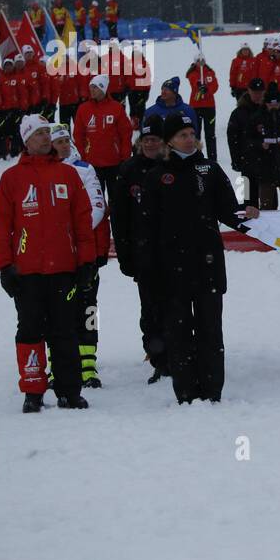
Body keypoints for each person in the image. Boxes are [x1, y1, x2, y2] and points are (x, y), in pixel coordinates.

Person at [138, 111, 258, 405]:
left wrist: (251, 213)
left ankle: (211, 390)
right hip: (170, 271)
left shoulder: (210, 169)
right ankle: (187, 393)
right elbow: (146, 229)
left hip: (207, 266)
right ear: (169, 141)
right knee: (178, 334)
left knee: (210, 332)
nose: (189, 139)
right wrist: (147, 269)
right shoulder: (155, 177)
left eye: (192, 134)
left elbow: (229, 211)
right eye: (182, 135)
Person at [0, 115, 96, 413]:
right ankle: (33, 391)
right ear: (26, 140)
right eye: (38, 134)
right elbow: (1, 224)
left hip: (63, 269)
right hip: (28, 273)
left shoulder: (68, 175)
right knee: (30, 331)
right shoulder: (11, 178)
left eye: (47, 132)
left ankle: (69, 390)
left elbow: (82, 222)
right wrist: (4, 266)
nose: (46, 138)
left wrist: (86, 261)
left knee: (64, 331)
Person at [50, 122, 111, 387]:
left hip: (84, 253)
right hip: (54, 256)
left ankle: (88, 364)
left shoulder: (85, 169)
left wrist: (74, 234)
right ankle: (57, 366)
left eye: (66, 140)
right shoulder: (42, 172)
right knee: (54, 311)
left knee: (88, 307)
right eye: (57, 141)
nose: (63, 145)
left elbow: (97, 206)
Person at [110, 114, 170, 384]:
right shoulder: (128, 170)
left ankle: (179, 354)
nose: (150, 145)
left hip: (173, 251)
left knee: (176, 306)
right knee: (151, 308)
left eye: (154, 140)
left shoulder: (173, 167)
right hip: (144, 253)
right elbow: (119, 217)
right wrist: (125, 255)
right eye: (145, 140)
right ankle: (158, 358)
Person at [73, 73, 133, 203]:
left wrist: (125, 157)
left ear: (103, 89)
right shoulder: (83, 109)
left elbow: (125, 133)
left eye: (95, 87)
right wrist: (83, 157)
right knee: (96, 202)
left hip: (114, 163)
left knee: (116, 200)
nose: (92, 90)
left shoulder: (116, 108)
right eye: (91, 87)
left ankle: (117, 223)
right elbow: (78, 135)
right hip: (92, 164)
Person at [226, 76, 266, 202]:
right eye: (255, 92)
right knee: (247, 200)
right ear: (248, 91)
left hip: (267, 162)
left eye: (260, 92)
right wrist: (235, 160)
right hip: (247, 161)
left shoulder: (268, 110)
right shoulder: (238, 113)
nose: (258, 95)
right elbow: (232, 138)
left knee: (269, 202)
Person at [185, 53, 220, 158]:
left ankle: (212, 157)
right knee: (196, 133)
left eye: (202, 61)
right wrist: (199, 85)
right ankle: (197, 155)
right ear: (195, 62)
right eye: (198, 61)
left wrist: (207, 89)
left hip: (209, 106)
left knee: (210, 134)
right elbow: (194, 82)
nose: (201, 63)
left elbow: (215, 86)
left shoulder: (210, 72)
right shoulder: (192, 73)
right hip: (196, 106)